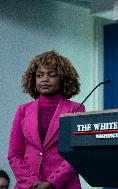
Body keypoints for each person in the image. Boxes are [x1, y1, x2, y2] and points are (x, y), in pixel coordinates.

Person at [8, 50, 85, 189]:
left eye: (52, 74)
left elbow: (77, 153)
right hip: (27, 186)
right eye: (39, 75)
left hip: (64, 185)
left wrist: (52, 183)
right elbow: (15, 153)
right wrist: (32, 182)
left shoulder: (76, 109)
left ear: (63, 79)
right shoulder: (23, 110)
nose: (44, 79)